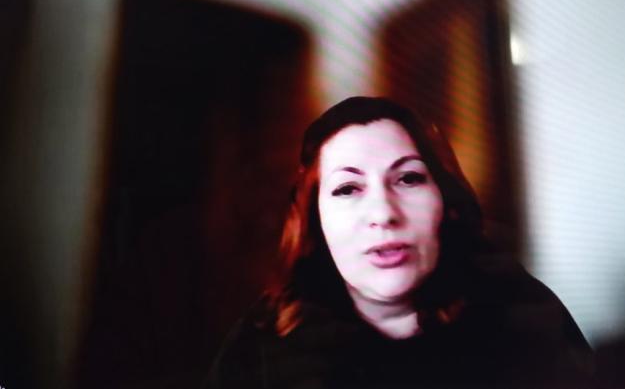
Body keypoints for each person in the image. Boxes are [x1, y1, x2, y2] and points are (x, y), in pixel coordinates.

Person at [204, 96, 594, 388]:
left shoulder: (522, 312)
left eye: (408, 179)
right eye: (348, 188)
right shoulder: (259, 352)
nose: (383, 213)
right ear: (314, 218)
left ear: (446, 202)